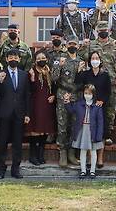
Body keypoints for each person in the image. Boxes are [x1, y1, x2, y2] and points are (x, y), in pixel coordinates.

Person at [79, 20, 116, 145]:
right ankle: (93, 132)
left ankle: (107, 134)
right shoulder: (92, 45)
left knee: (109, 110)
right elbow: (81, 56)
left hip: (111, 83)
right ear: (97, 32)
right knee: (93, 108)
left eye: (105, 31)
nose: (103, 33)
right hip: (94, 83)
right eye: (100, 31)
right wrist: (83, 46)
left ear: (109, 31)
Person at [0, 49, 31, 179]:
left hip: (19, 114)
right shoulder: (0, 73)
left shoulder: (24, 75)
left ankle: (16, 169)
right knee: (2, 142)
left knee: (17, 143)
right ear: (6, 59)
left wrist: (27, 113)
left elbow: (27, 95)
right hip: (4, 113)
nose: (13, 58)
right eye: (10, 57)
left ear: (19, 59)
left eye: (15, 56)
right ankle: (1, 169)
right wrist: (1, 81)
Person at [74, 50, 112, 167]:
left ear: (100, 60)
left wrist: (102, 101)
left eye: (97, 58)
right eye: (92, 58)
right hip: (88, 107)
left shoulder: (105, 75)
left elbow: (108, 91)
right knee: (90, 132)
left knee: (100, 133)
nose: (95, 60)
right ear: (90, 61)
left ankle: (100, 158)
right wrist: (79, 71)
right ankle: (91, 158)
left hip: (100, 107)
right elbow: (77, 84)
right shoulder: (86, 74)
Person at [51, 35, 82, 167]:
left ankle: (71, 153)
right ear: (66, 45)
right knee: (62, 126)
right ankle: (63, 153)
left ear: (78, 46)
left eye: (74, 44)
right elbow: (53, 78)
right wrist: (59, 66)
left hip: (77, 97)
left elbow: (84, 80)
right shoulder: (60, 59)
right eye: (70, 44)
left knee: (74, 126)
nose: (72, 46)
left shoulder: (82, 61)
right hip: (63, 96)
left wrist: (82, 70)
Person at [65, 84, 104, 178]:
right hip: (82, 130)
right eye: (85, 93)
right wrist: (67, 101)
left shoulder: (97, 106)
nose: (87, 95)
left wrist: (99, 135)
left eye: (89, 93)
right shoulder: (79, 104)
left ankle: (92, 171)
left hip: (93, 131)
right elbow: (71, 110)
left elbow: (100, 122)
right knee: (83, 151)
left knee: (93, 151)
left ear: (93, 94)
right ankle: (83, 170)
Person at [26, 51, 56, 166]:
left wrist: (53, 95)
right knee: (35, 132)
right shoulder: (31, 71)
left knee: (44, 133)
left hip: (47, 105)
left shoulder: (49, 71)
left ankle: (41, 155)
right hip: (35, 105)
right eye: (39, 58)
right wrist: (33, 78)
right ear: (35, 60)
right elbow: (29, 90)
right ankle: (33, 156)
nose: (41, 60)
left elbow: (54, 86)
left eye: (43, 58)